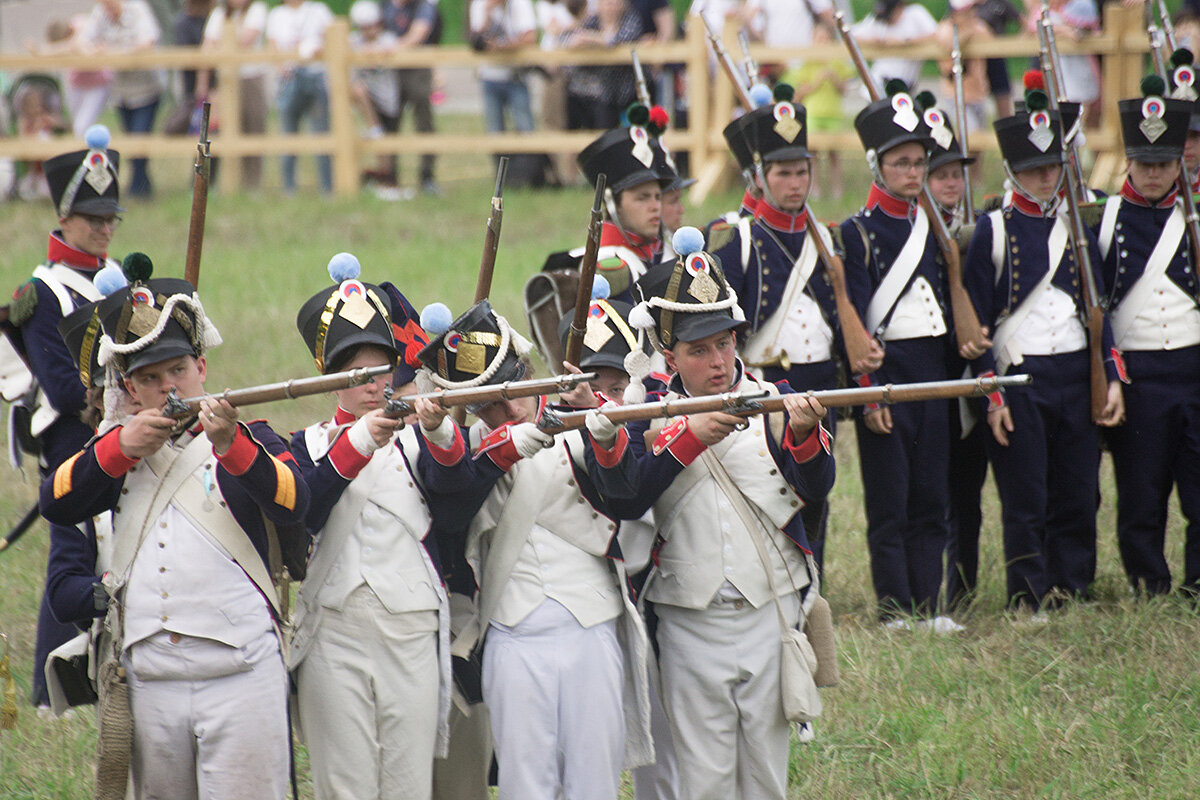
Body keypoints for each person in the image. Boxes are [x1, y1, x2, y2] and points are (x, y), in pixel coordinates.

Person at [39, 259, 309, 799]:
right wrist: (120, 448)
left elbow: (294, 501)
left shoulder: (249, 435)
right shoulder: (110, 453)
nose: (168, 387)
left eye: (177, 371)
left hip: (240, 673)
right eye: (150, 378)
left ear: (202, 367)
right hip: (148, 675)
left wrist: (233, 447)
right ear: (130, 389)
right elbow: (58, 502)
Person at [604, 229, 833, 799]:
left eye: (724, 345)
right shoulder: (647, 415)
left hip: (768, 609)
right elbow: (629, 496)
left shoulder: (775, 397)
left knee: (765, 777)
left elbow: (816, 488)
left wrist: (804, 435)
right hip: (688, 618)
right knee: (702, 781)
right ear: (670, 356)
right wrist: (688, 437)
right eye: (698, 350)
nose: (716, 360)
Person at [416, 298, 653, 800]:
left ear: (526, 370)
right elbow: (451, 511)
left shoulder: (576, 417)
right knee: (528, 784)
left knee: (595, 782)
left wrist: (597, 418)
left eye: (513, 389)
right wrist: (455, 434)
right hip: (512, 634)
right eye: (489, 403)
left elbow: (627, 491)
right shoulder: (464, 451)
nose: (509, 409)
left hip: (591, 626)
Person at [289, 254, 451, 799]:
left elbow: (457, 502)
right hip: (333, 629)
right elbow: (305, 510)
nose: (368, 383)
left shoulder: (423, 437)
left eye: (379, 369)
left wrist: (443, 434)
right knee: (344, 786)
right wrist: (359, 443)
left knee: (408, 785)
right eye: (352, 370)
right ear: (330, 376)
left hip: (410, 627)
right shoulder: (304, 445)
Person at [706, 85, 883, 575]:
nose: (795, 182)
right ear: (760, 177)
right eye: (783, 172)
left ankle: (812, 585)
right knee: (766, 491)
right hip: (765, 388)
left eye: (801, 171)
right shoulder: (735, 239)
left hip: (820, 384)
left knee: (814, 491)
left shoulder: (827, 237)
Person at [962, 80, 1124, 614]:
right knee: (1025, 497)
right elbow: (979, 329)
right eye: (1034, 170)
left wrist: (1110, 374)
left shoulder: (1083, 224)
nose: (1046, 178)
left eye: (1053, 166)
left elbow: (1101, 311)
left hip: (1076, 376)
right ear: (1012, 170)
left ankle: (1071, 587)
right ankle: (1027, 593)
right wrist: (992, 397)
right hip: (1020, 378)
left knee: (1078, 490)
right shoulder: (991, 231)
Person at [6, 127, 124, 710]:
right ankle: (56, 688)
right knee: (73, 555)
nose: (104, 228)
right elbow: (59, 383)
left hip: (129, 435)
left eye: (109, 218)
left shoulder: (122, 281)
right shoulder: (42, 292)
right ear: (64, 216)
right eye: (91, 216)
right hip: (76, 441)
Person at [840, 83, 960, 631]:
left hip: (933, 375)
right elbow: (860, 318)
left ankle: (929, 603)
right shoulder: (858, 232)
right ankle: (895, 607)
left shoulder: (935, 229)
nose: (913, 174)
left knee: (931, 496)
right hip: (887, 379)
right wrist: (870, 391)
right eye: (900, 163)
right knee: (891, 500)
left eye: (919, 163)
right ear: (877, 166)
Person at [1095, 78, 1200, 597]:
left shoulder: (1195, 216)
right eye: (1145, 163)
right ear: (1129, 162)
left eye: (1163, 162)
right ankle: (1148, 584)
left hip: (1193, 370)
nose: (1155, 173)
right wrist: (1113, 374)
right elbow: (1098, 307)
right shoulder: (1105, 219)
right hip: (1139, 376)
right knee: (1142, 492)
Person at [576, 111, 672, 303]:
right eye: (642, 198)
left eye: (657, 197)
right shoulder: (607, 266)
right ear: (614, 205)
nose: (655, 206)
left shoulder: (664, 252)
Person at [79, 0, 163, 198]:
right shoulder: (100, 13)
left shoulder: (137, 10)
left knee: (140, 136)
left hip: (145, 87)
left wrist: (112, 52)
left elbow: (148, 42)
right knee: (130, 137)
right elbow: (83, 41)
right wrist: (93, 52)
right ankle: (140, 185)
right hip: (120, 90)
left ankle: (139, 188)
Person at [196, 0, 270, 191]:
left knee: (253, 129)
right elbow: (207, 47)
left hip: (250, 77)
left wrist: (219, 48)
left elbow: (245, 41)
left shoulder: (257, 10)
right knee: (220, 130)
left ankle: (252, 185)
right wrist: (204, 84)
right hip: (225, 79)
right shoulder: (218, 14)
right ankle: (224, 185)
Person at [266, 0, 334, 194]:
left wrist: (319, 50)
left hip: (315, 75)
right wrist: (281, 67)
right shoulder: (277, 14)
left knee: (321, 134)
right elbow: (272, 46)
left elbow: (332, 39)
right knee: (288, 134)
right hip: (289, 77)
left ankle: (327, 187)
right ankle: (288, 188)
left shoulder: (318, 10)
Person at [381, 0, 442, 196]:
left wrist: (389, 48)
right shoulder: (384, 6)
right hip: (390, 73)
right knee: (389, 125)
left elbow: (418, 35)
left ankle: (427, 177)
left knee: (424, 125)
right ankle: (389, 178)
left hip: (417, 71)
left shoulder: (423, 6)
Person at [563, 0, 644, 130]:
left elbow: (619, 41)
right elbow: (573, 40)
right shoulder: (592, 21)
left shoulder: (631, 19)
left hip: (618, 93)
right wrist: (597, 41)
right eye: (607, 2)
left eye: (615, 2)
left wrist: (590, 39)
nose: (611, 6)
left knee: (605, 134)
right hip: (587, 90)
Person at [470, 0, 538, 139]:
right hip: (489, 76)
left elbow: (530, 38)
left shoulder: (519, 4)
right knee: (495, 132)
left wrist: (503, 47)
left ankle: (526, 161)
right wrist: (486, 13)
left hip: (516, 75)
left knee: (525, 130)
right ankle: (503, 162)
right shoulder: (479, 5)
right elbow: (477, 43)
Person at [852, 0, 937, 93]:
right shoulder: (879, 21)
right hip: (880, 80)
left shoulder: (915, 13)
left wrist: (904, 42)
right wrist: (878, 41)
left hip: (906, 83)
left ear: (898, 8)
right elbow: (852, 35)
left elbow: (935, 34)